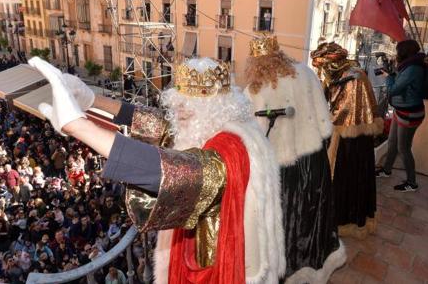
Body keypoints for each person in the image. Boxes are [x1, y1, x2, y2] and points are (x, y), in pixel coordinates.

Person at [29, 56, 285, 283]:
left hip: (213, 270)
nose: (178, 113)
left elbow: (175, 173)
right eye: (177, 106)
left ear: (216, 108)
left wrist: (79, 127)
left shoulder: (227, 150)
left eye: (186, 110)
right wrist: (93, 100)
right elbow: (162, 125)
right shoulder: (216, 126)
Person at [245, 35, 345, 282]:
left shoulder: (252, 91)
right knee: (313, 213)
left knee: (287, 221)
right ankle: (316, 265)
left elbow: (254, 140)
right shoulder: (305, 73)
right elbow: (325, 125)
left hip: (281, 168)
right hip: (314, 159)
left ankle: (286, 272)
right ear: (279, 54)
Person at [311, 42, 383, 239]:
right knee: (349, 180)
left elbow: (340, 113)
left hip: (350, 140)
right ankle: (342, 220)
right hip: (346, 137)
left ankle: (344, 222)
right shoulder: (343, 74)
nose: (322, 72)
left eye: (323, 67)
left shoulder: (353, 78)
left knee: (347, 180)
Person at [376, 40, 426, 192]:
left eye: (398, 51)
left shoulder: (412, 69)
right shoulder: (410, 65)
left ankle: (412, 183)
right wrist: (392, 73)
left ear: (404, 52)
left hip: (410, 113)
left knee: (403, 148)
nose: (397, 53)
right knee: (392, 142)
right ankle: (386, 170)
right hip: (401, 111)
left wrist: (388, 77)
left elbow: (394, 89)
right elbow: (402, 83)